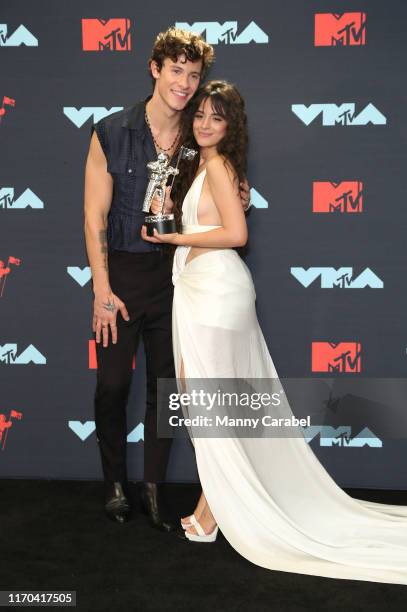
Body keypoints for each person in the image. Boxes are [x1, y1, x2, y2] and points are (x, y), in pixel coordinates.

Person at [142, 80, 407, 585]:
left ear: (230, 126)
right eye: (199, 115)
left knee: (213, 406)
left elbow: (237, 235)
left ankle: (212, 512)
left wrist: (175, 235)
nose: (203, 124)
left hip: (217, 294)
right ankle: (215, 504)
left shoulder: (218, 165)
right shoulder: (205, 164)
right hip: (200, 290)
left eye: (216, 118)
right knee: (208, 406)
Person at [84, 28, 250, 529]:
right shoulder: (111, 131)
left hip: (177, 279)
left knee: (166, 388)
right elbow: (94, 218)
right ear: (155, 69)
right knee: (113, 385)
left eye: (193, 75)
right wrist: (101, 290)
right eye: (175, 70)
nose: (183, 83)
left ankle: (154, 489)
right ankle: (116, 484)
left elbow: (223, 189)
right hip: (123, 274)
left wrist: (239, 194)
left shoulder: (199, 136)